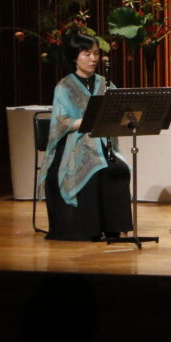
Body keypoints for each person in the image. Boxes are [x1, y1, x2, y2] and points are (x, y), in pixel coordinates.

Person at [38, 33, 133, 241]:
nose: (93, 59)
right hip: (73, 143)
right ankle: (88, 227)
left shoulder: (105, 84)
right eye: (87, 54)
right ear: (75, 57)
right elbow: (61, 122)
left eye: (96, 54)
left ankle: (114, 227)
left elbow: (120, 110)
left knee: (119, 168)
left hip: (101, 143)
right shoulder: (64, 86)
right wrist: (88, 120)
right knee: (95, 167)